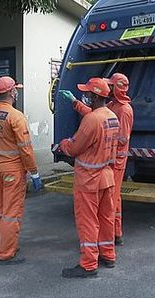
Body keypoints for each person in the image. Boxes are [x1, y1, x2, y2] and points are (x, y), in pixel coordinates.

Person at [58, 78, 119, 278]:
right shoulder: (112, 116)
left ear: (94, 96)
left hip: (89, 180)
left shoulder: (91, 120)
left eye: (88, 93)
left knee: (88, 221)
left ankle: (88, 264)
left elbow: (75, 148)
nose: (86, 95)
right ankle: (108, 255)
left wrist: (63, 144)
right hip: (107, 177)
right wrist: (76, 102)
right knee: (106, 218)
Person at [63, 73, 134, 246]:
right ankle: (109, 245)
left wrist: (97, 141)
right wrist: (76, 103)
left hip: (112, 162)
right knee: (108, 205)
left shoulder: (124, 110)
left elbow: (121, 138)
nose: (108, 88)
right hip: (107, 165)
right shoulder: (111, 107)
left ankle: (114, 237)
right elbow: (97, 116)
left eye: (111, 85)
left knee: (109, 203)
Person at [0, 76, 43, 265]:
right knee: (11, 212)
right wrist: (34, 172)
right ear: (10, 93)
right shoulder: (16, 117)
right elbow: (25, 149)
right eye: (15, 90)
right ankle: (6, 253)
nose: (16, 92)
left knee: (0, 210)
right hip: (13, 171)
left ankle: (5, 244)